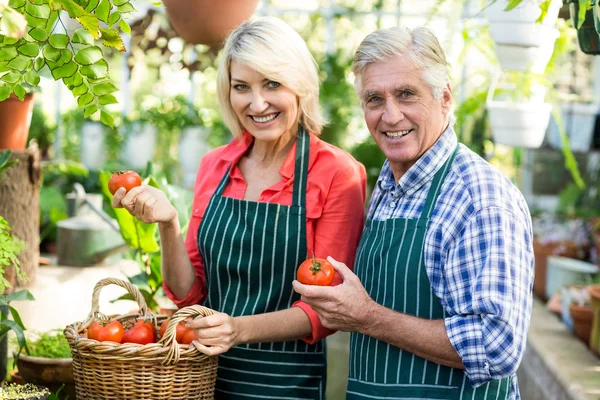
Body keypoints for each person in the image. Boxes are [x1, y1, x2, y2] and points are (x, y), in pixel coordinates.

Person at [112, 17, 366, 400]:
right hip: (197, 378)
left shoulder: (336, 172)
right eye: (241, 87)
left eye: (272, 84)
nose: (257, 103)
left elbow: (325, 311)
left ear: (299, 85)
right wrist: (168, 224)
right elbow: (189, 293)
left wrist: (237, 329)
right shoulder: (215, 165)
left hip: (283, 385)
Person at [294, 26, 534, 400]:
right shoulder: (388, 188)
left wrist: (369, 317)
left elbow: (495, 346)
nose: (391, 116)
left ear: (444, 98)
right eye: (375, 99)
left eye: (406, 94)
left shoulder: (479, 196)